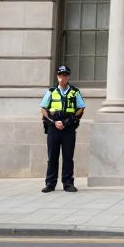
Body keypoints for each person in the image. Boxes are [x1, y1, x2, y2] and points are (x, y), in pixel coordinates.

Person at [40, 64, 85, 193]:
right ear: (57, 76)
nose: (62, 77)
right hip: (54, 128)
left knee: (68, 156)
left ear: (68, 77)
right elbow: (43, 109)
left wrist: (70, 120)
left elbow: (81, 107)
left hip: (68, 128)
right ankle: (50, 183)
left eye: (65, 75)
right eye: (60, 75)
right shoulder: (51, 91)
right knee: (52, 156)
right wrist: (53, 122)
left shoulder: (75, 91)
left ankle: (68, 183)